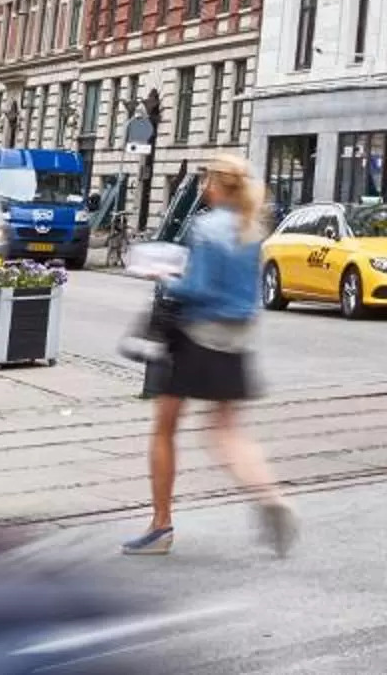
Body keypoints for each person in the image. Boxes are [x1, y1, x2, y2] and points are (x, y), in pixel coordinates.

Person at [122, 155, 294, 558]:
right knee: (226, 428)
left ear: (218, 184)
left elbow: (196, 289)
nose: (202, 188)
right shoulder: (252, 229)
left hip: (196, 334)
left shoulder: (208, 227)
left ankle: (160, 526)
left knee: (165, 427)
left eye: (206, 181)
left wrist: (163, 275)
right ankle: (270, 495)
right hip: (235, 337)